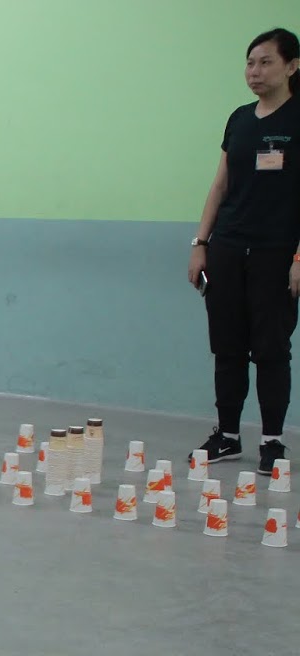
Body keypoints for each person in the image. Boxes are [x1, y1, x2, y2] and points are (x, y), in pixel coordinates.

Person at [189, 27, 300, 474]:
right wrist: (201, 243)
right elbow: (220, 185)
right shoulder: (239, 119)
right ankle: (228, 436)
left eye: (266, 62)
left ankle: (272, 441)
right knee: (228, 347)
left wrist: (299, 257)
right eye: (250, 63)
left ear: (292, 66)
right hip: (228, 248)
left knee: (271, 349)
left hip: (277, 251)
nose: (254, 71)